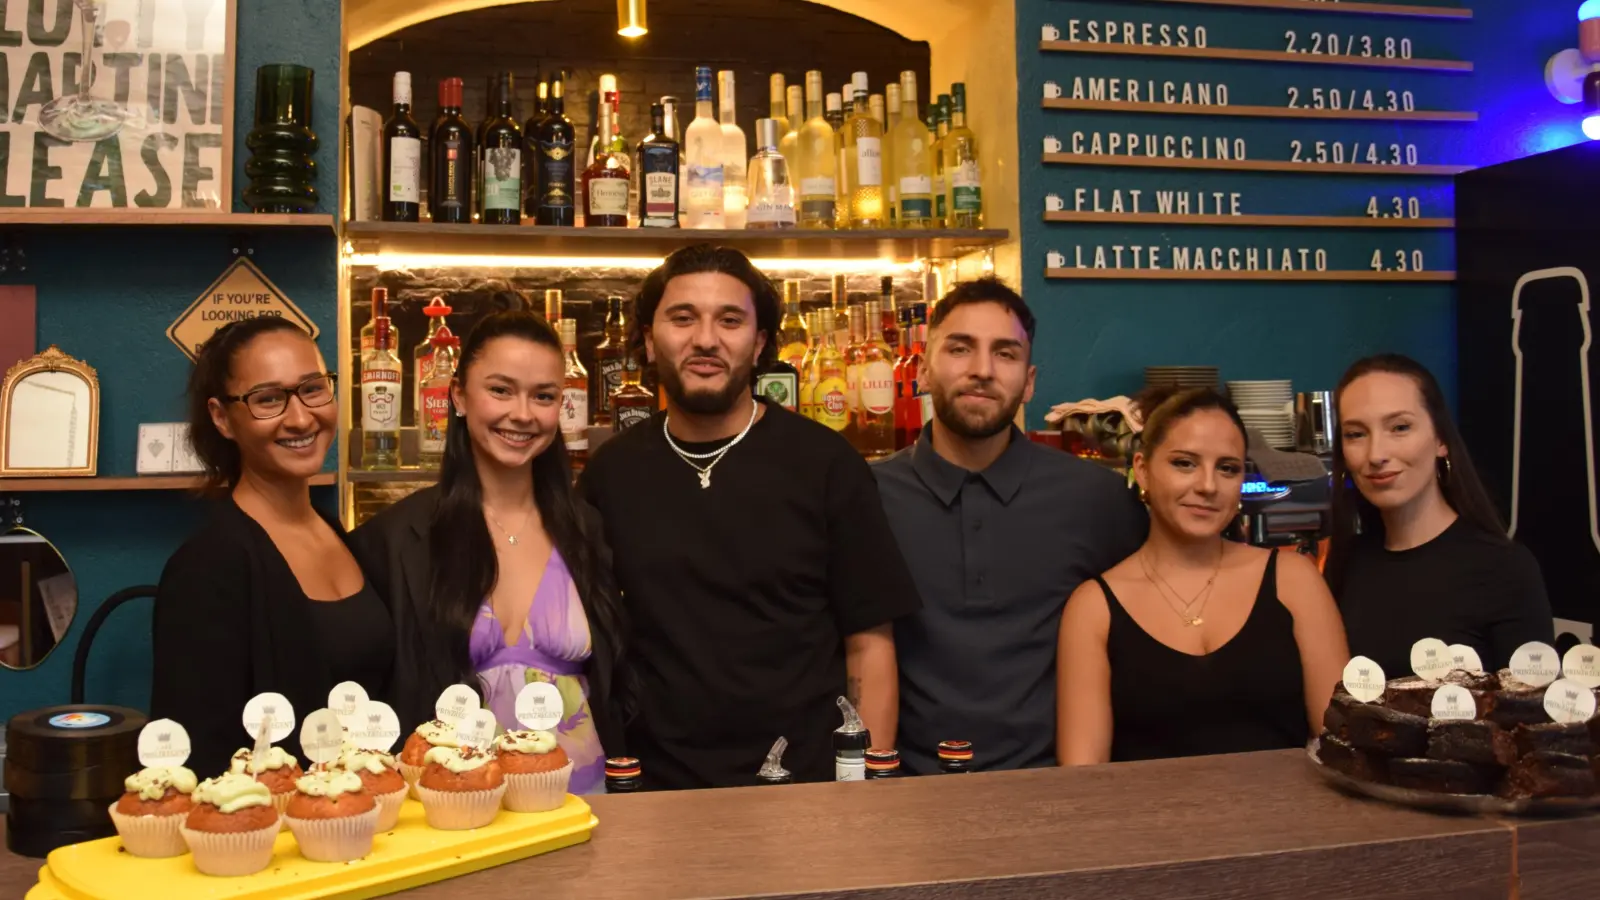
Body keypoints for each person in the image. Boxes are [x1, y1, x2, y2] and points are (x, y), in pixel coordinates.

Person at [579, 244, 921, 789]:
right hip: (655, 790)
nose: (706, 339)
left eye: (730, 320)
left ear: (760, 342)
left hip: (804, 788)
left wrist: (863, 792)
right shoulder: (611, 474)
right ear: (648, 338)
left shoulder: (826, 465)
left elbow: (870, 642)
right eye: (682, 317)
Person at [873, 279, 1146, 774]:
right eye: (959, 349)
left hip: (1060, 792)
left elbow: (1140, 656)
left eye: (1005, 353)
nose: (982, 370)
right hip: (905, 796)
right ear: (924, 371)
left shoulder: (1095, 498)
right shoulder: (866, 496)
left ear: (1030, 381)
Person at [353, 312, 627, 795]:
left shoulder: (587, 528)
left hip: (584, 798)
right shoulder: (397, 538)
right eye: (500, 390)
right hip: (458, 807)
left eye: (543, 396)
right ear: (458, 396)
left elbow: (616, 678)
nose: (523, 414)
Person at [1056, 387, 1349, 764]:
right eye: (1185, 463)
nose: (1208, 486)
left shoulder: (1294, 580)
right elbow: (1083, 781)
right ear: (1143, 470)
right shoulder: (1093, 608)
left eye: (1227, 468)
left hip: (1284, 819)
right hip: (1146, 820)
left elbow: (1344, 747)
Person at [151, 317, 388, 775]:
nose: (300, 418)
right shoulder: (207, 567)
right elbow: (197, 760)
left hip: (368, 826)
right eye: (268, 400)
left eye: (313, 389)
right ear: (222, 417)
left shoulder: (334, 531)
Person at [1325, 354, 1552, 676]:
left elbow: (1531, 714)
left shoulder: (1504, 568)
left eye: (1400, 427)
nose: (1376, 454)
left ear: (1441, 439)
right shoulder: (1347, 562)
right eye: (1356, 434)